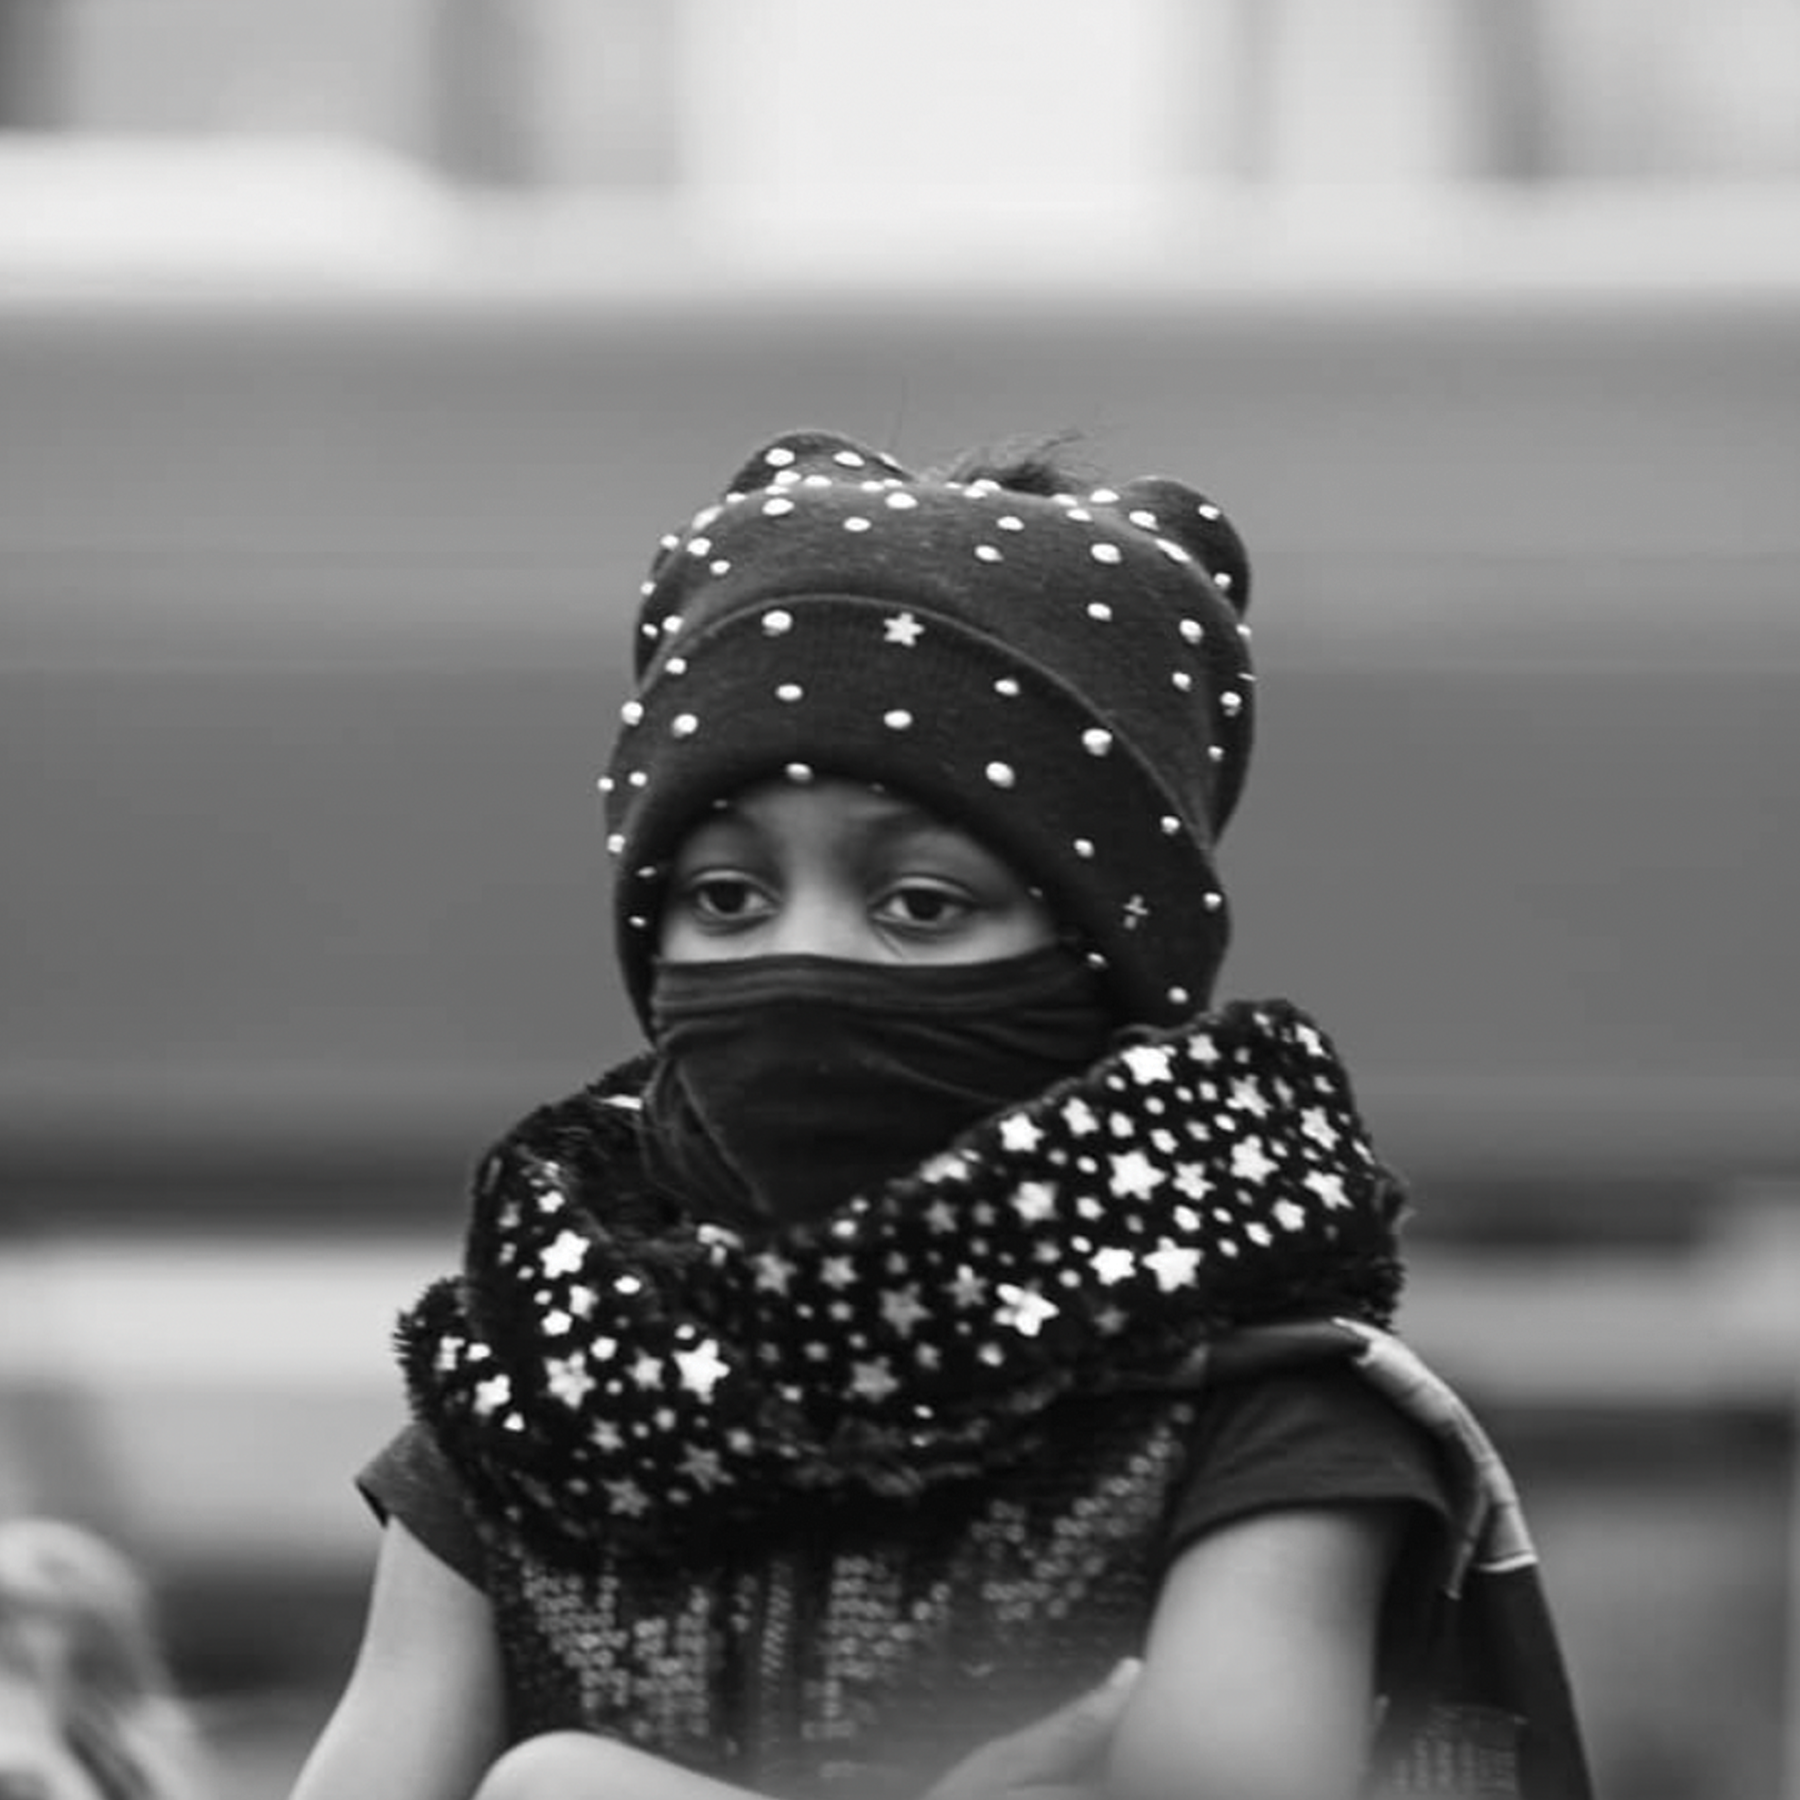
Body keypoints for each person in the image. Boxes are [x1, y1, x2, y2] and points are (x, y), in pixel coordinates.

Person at [293, 429, 1590, 1800]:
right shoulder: (533, 1399)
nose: (807, 961)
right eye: (725, 898)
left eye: (922, 905)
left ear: (1108, 962)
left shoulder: (1266, 1419)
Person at [0, 1517, 206, 1800]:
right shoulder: (18, 1760)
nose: (15, 1637)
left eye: (28, 1613)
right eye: (9, 1616)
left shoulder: (140, 1743)